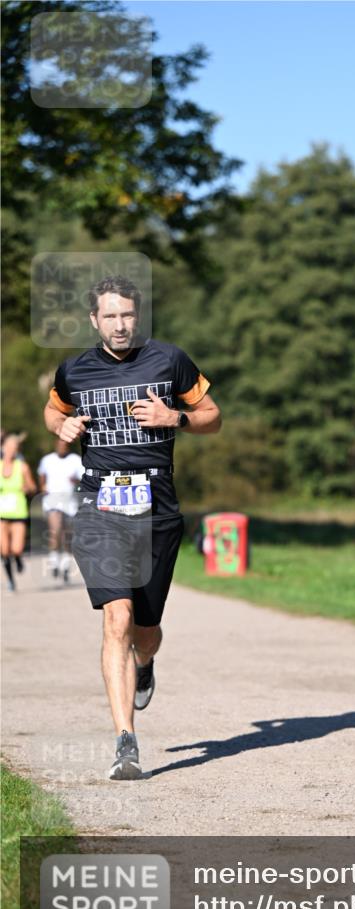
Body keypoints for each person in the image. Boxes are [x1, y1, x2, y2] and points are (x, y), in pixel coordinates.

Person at [44, 275, 221, 779]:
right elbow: (52, 410)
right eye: (110, 316)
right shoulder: (75, 370)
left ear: (136, 317)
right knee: (115, 617)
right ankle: (126, 741)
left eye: (127, 315)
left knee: (145, 628)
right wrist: (63, 426)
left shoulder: (170, 360)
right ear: (94, 320)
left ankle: (145, 663)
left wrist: (175, 419)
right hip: (99, 504)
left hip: (158, 506)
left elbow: (212, 415)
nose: (120, 325)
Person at [38, 438, 85, 583]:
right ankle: (54, 561)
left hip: (69, 502)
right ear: (55, 445)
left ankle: (65, 565)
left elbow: (82, 478)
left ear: (68, 447)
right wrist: (43, 487)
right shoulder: (47, 460)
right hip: (52, 501)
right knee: (55, 530)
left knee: (67, 535)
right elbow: (41, 475)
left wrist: (75, 481)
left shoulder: (75, 460)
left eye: (64, 446)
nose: (61, 448)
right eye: (59, 445)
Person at [1, 433, 37, 592]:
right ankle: (10, 581)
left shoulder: (22, 466)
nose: (12, 451)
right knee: (4, 549)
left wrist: (27, 488)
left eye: (15, 448)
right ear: (3, 448)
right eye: (9, 448)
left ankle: (18, 559)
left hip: (18, 512)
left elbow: (33, 487)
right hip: (2, 513)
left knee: (16, 548)